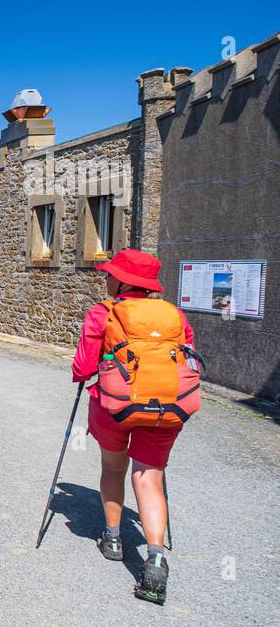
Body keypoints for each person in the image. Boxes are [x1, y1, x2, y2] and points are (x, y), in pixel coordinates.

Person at [71, 248, 196, 606]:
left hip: (114, 405)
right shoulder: (175, 315)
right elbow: (185, 359)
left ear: (123, 281)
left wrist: (89, 370)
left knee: (113, 467)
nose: (106, 278)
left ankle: (112, 539)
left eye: (111, 274)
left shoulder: (102, 313)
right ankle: (154, 557)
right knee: (149, 477)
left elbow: (82, 368)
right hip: (165, 408)